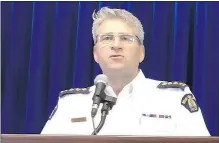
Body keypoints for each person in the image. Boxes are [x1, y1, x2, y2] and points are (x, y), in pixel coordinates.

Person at [40, 7, 210, 136]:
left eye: (126, 38)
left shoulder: (173, 98)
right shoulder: (71, 104)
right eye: (107, 38)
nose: (116, 45)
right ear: (95, 53)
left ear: (141, 52)